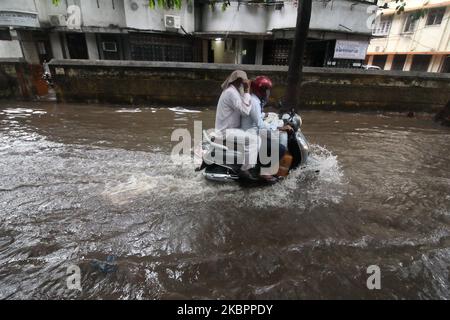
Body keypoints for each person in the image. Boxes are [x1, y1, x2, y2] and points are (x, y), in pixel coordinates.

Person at [241, 76, 292, 178]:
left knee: (272, 141)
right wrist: (278, 128)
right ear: (262, 91)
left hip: (253, 133)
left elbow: (258, 117)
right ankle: (265, 172)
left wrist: (266, 115)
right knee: (280, 148)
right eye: (267, 90)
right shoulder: (254, 102)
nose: (268, 93)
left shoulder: (256, 101)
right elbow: (260, 125)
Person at [214, 70, 260, 181]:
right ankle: (245, 169)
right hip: (226, 131)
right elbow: (245, 111)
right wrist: (247, 90)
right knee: (254, 140)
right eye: (245, 80)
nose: (246, 82)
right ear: (240, 80)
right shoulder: (231, 93)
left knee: (255, 137)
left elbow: (242, 108)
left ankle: (250, 166)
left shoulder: (233, 91)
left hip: (231, 130)